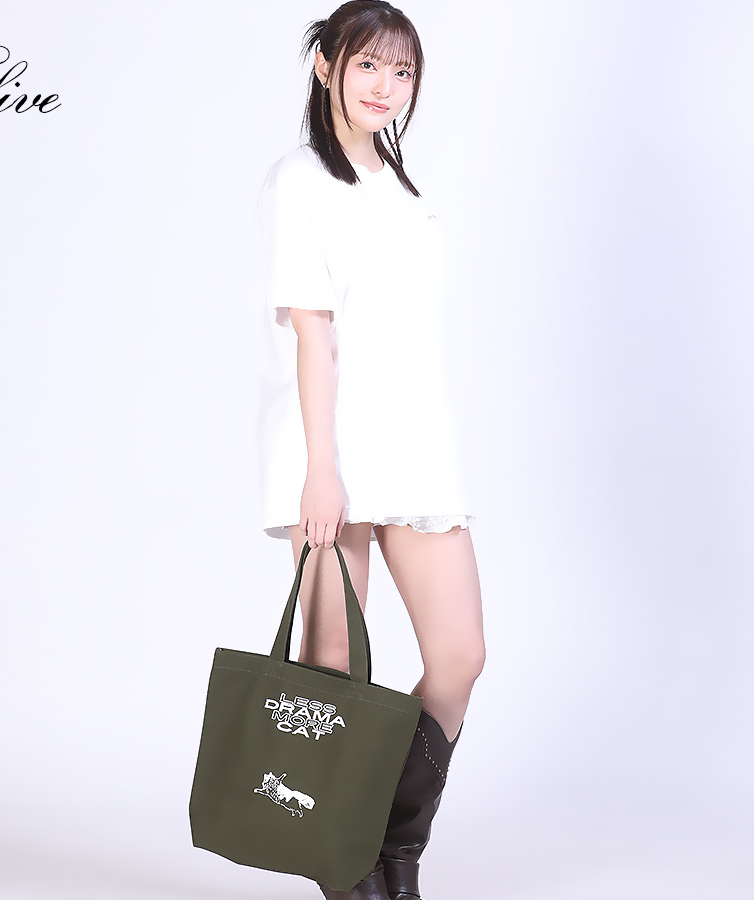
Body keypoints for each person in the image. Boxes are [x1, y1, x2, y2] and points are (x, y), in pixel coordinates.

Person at [255, 2, 486, 898]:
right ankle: (345, 868)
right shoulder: (299, 179)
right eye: (367, 65)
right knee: (333, 672)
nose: (386, 86)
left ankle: (393, 847)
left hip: (415, 444)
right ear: (326, 68)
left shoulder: (402, 185)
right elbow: (313, 335)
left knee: (459, 657)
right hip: (331, 447)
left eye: (403, 70)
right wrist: (322, 469)